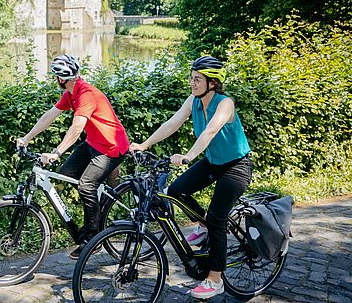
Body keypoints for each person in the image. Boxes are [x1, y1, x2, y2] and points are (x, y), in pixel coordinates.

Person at [130, 56, 252, 300]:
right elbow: (172, 124)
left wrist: (187, 156)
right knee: (176, 191)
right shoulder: (193, 101)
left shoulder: (224, 103)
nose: (192, 83)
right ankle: (204, 225)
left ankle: (215, 279)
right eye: (191, 78)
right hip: (213, 162)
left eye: (198, 79)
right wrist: (145, 144)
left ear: (213, 83)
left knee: (218, 218)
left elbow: (210, 130)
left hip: (236, 166)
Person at [17, 54, 129, 259]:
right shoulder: (72, 93)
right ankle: (97, 206)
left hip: (111, 147)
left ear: (60, 78)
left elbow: (77, 128)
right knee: (66, 173)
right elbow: (50, 116)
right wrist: (27, 138)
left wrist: (56, 152)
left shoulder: (86, 94)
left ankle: (93, 237)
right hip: (94, 143)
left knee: (86, 185)